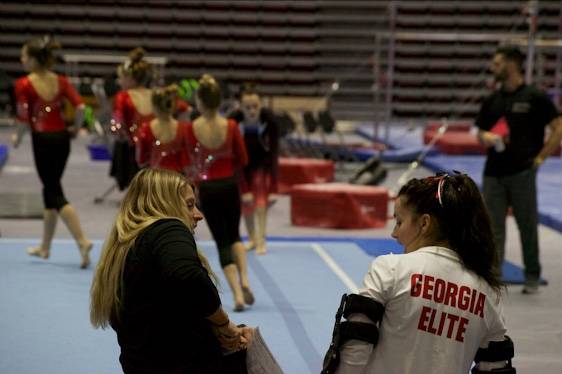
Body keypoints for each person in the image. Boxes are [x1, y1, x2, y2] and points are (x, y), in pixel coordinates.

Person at [324, 173, 514, 374]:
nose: (394, 234)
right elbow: (496, 368)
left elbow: (355, 351)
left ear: (424, 223)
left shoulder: (390, 269)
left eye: (399, 222)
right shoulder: (488, 294)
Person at [90, 168, 253, 373]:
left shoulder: (127, 248)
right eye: (190, 205)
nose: (199, 215)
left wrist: (224, 333)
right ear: (164, 205)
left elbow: (162, 313)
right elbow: (187, 276)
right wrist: (224, 324)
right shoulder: (167, 228)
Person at [476, 45, 562, 294]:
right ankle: (493, 275)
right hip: (493, 172)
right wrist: (488, 137)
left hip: (523, 171)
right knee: (492, 228)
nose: (493, 67)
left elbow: (558, 127)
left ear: (512, 65)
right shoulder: (493, 99)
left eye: (498, 63)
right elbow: (480, 132)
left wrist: (540, 158)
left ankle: (532, 274)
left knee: (527, 224)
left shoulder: (535, 97)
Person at [13, 35, 92, 268]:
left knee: (54, 192)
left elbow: (23, 117)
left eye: (24, 56)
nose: (21, 59)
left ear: (35, 60)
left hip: (43, 139)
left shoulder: (24, 84)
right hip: (62, 139)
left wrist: (18, 137)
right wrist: (76, 128)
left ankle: (82, 240)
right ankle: (45, 247)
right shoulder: (61, 80)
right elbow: (80, 106)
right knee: (50, 190)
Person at [186, 74, 254, 312]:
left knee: (222, 241)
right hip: (229, 185)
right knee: (235, 235)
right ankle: (245, 279)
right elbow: (243, 159)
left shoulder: (192, 128)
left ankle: (236, 293)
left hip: (208, 187)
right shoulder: (232, 126)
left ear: (201, 102)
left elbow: (191, 163)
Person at [229, 83, 279, 255]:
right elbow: (232, 156)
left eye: (255, 106)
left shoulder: (269, 121)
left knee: (260, 201)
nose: (252, 110)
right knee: (246, 202)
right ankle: (251, 238)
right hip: (241, 166)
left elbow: (274, 154)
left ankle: (261, 239)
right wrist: (242, 187)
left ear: (261, 105)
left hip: (261, 164)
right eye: (247, 107)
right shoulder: (233, 121)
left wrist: (274, 188)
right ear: (240, 107)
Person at [136, 84, 190, 174]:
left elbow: (141, 161)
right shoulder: (184, 128)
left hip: (156, 179)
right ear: (172, 105)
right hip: (178, 179)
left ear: (154, 107)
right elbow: (189, 160)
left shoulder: (146, 129)